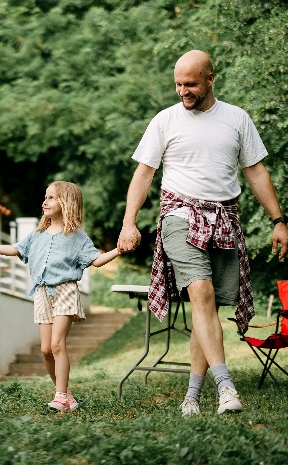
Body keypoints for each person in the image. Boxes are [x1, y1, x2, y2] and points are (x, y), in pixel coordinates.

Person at [117, 50, 288, 416]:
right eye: (178, 84)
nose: (183, 91)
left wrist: (278, 220)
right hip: (179, 216)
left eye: (191, 84)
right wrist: (129, 221)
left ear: (211, 78)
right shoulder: (165, 121)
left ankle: (191, 396)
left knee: (204, 306)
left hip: (224, 218)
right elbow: (144, 174)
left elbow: (255, 171)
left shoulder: (236, 119)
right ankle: (226, 386)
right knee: (201, 290)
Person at [0, 181, 124, 412]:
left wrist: (119, 250)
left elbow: (95, 261)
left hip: (65, 290)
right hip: (41, 292)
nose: (45, 202)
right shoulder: (37, 234)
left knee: (58, 344)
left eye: (51, 198)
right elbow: (15, 249)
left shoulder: (77, 236)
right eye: (45, 197)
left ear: (66, 203)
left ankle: (59, 396)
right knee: (46, 350)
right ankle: (65, 394)